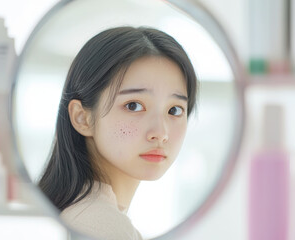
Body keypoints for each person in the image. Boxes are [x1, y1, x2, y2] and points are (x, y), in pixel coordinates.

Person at [38, 26, 197, 240]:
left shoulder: (77, 215)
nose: (160, 133)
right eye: (133, 106)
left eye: (174, 110)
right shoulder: (101, 226)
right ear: (82, 118)